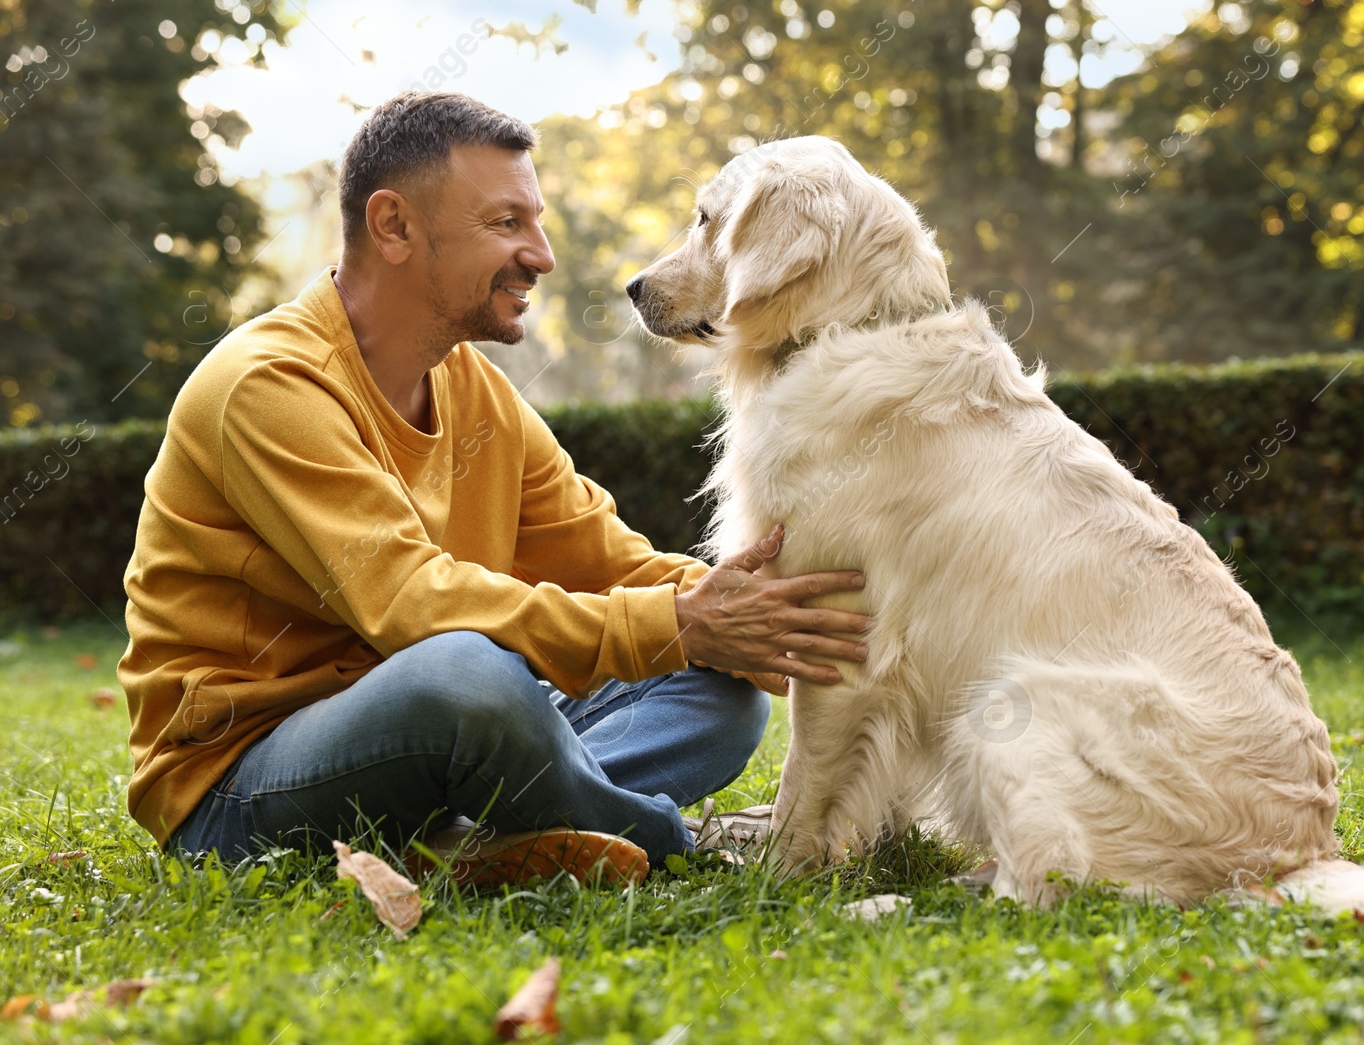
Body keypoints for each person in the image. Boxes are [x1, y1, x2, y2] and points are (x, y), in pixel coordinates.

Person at [116, 91, 870, 885]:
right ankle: (663, 835)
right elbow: (409, 602)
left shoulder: (475, 392)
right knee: (470, 677)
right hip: (241, 781)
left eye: (536, 222)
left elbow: (610, 559)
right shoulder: (267, 386)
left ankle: (486, 841)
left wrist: (763, 623)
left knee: (716, 687)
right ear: (394, 225)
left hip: (436, 735)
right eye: (507, 224)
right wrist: (681, 621)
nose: (542, 254)